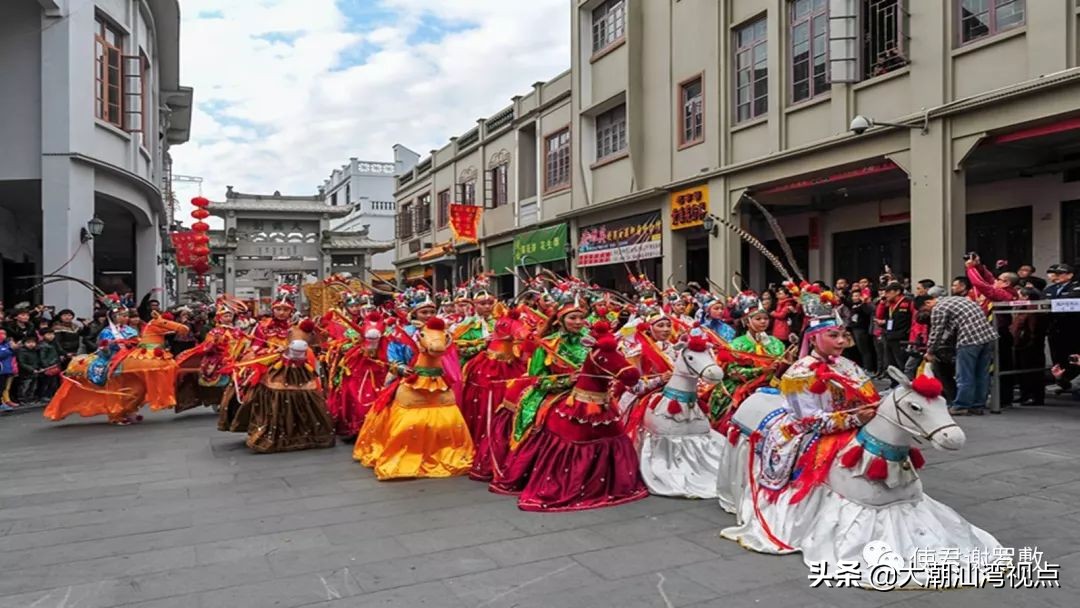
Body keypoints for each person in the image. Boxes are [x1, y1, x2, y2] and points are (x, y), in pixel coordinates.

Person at [924, 286, 998, 415]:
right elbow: (951, 328)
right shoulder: (957, 300)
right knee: (981, 374)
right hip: (988, 337)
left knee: (964, 375)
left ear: (928, 302)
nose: (928, 312)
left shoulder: (939, 308)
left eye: (925, 309)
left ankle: (961, 406)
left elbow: (937, 332)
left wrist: (930, 351)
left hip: (969, 340)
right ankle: (977, 405)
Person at [1045, 263, 1080, 393]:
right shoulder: (1051, 288)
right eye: (1055, 274)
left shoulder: (1076, 287)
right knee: (1058, 356)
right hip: (1055, 327)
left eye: (1060, 274)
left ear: (1070, 275)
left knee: (1073, 357)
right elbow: (1045, 300)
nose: (1056, 277)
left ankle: (1074, 384)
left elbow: (1070, 299)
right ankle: (1061, 381)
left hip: (1073, 327)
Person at [1010, 287, 1048, 406]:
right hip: (1020, 343)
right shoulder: (1022, 308)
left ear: (1027, 297)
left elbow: (1032, 328)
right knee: (1022, 370)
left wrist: (1029, 340)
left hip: (1029, 344)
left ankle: (1035, 396)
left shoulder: (1033, 310)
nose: (1017, 297)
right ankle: (1025, 394)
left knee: (1032, 371)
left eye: (1019, 295)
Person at [878, 282, 913, 384]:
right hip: (889, 336)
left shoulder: (908, 302)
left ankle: (904, 387)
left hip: (902, 338)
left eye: (888, 292)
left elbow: (915, 320)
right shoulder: (890, 304)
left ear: (897, 292)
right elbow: (879, 315)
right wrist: (882, 303)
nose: (886, 295)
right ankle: (893, 386)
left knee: (901, 364)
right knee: (891, 364)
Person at [846, 288, 875, 371]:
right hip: (854, 328)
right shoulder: (853, 305)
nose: (855, 297)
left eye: (857, 296)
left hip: (861, 329)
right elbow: (846, 301)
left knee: (864, 349)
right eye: (853, 296)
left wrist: (864, 302)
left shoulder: (864, 305)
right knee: (857, 349)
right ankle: (861, 366)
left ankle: (868, 368)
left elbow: (868, 311)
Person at [15, 335, 42, 403]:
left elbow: (37, 361)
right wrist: (32, 369)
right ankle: (22, 399)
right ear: (24, 343)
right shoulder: (21, 351)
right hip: (25, 373)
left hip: (35, 372)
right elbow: (22, 363)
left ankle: (30, 398)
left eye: (33, 342)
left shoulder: (35, 351)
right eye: (28, 342)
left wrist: (39, 368)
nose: (31, 344)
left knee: (33, 387)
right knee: (25, 387)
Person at [37, 329, 62, 400]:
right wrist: (46, 366)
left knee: (53, 382)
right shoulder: (43, 346)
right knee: (46, 382)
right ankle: (44, 396)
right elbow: (42, 358)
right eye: (48, 334)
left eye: (52, 334)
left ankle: (51, 394)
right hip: (49, 367)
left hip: (54, 365)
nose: (51, 336)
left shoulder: (53, 343)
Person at [0, 329, 17, 410]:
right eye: (1, 334)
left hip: (7, 369)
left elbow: (13, 355)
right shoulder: (6, 347)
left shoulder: (6, 344)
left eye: (4, 334)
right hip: (1, 369)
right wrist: (10, 349)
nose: (3, 336)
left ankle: (4, 402)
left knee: (4, 387)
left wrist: (14, 348)